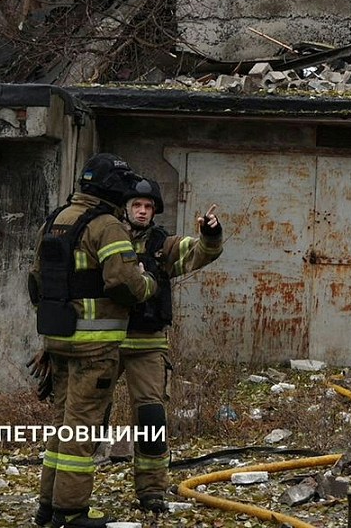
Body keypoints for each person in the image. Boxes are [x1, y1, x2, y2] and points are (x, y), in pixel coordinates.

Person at [30, 153, 156, 528]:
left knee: (61, 426)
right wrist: (147, 282)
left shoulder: (56, 221)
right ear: (111, 188)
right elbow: (125, 282)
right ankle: (71, 513)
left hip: (59, 340)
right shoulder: (106, 226)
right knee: (81, 430)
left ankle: (47, 508)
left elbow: (36, 280)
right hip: (95, 346)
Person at [115, 176, 224, 513]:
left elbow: (200, 252)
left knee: (151, 416)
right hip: (103, 340)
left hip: (147, 341)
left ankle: (151, 491)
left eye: (148, 207)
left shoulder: (162, 246)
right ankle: (74, 494)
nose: (143, 211)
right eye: (137, 205)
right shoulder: (106, 236)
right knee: (89, 417)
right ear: (126, 208)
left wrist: (210, 232)